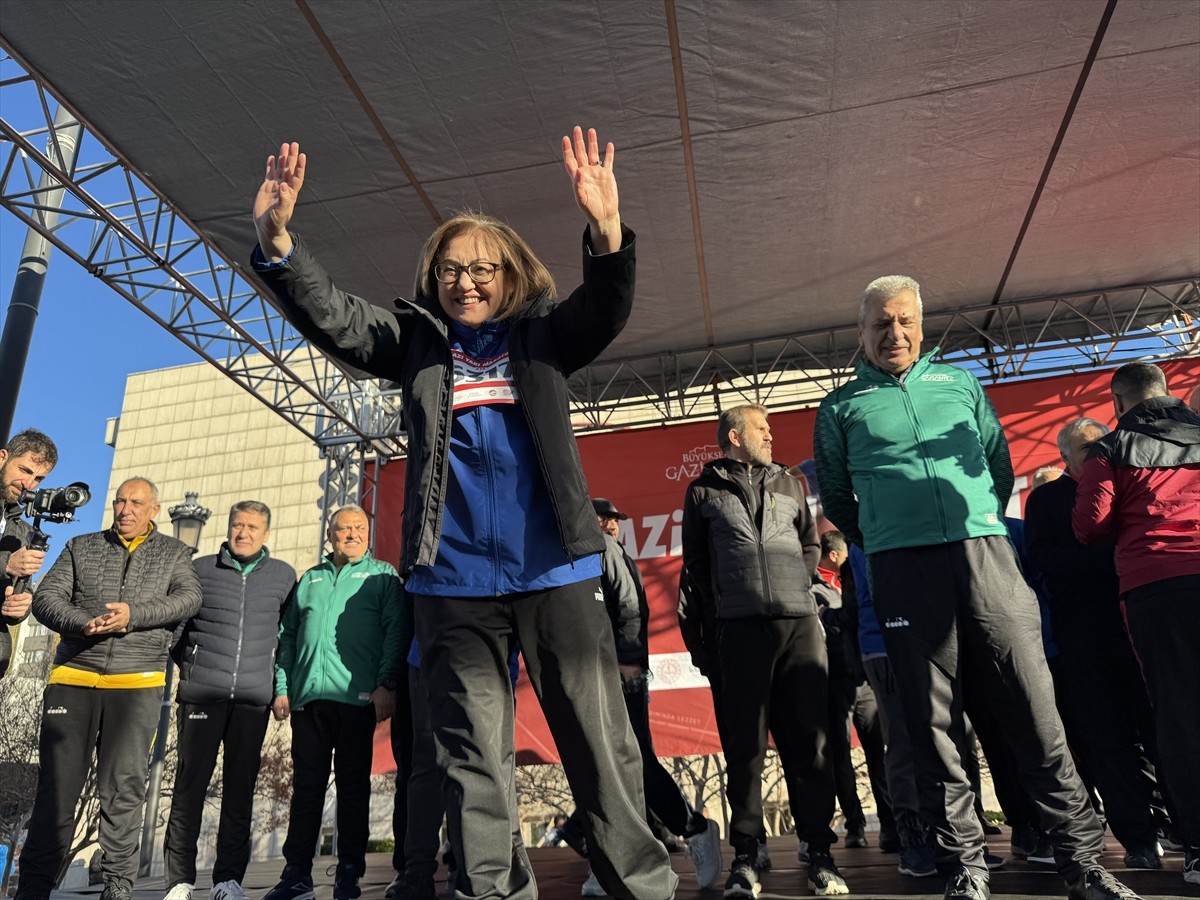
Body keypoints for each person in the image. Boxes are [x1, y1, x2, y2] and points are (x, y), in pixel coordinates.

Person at [249, 129, 675, 900]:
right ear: (431, 280)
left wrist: (607, 232)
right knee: (471, 758)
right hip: (452, 585)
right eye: (450, 270)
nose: (466, 281)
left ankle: (640, 888)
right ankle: (489, 891)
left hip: (556, 571)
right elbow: (340, 319)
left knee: (600, 747)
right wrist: (279, 241)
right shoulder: (414, 344)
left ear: (510, 275)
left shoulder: (543, 337)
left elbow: (605, 307)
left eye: (481, 268)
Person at [813, 275, 1142, 900]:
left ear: (920, 324)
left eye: (905, 320)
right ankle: (966, 866)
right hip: (904, 571)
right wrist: (888, 535)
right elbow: (836, 496)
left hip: (985, 556)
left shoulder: (960, 383)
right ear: (861, 332)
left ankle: (1084, 864)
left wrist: (974, 522)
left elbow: (996, 465)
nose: (895, 333)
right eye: (881, 323)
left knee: (1037, 712)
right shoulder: (841, 406)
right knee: (934, 729)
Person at [681, 404, 847, 898]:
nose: (770, 435)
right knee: (745, 752)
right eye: (761, 428)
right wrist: (704, 646)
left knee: (811, 746)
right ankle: (748, 855)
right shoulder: (703, 491)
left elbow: (810, 547)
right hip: (739, 632)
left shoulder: (790, 484)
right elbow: (695, 571)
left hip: (798, 628)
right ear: (734, 436)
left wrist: (798, 590)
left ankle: (819, 852)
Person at [15, 477, 202, 900]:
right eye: (119, 501)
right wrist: (83, 623)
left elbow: (189, 599)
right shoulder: (81, 546)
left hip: (138, 683)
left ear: (154, 509)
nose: (125, 509)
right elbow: (47, 599)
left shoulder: (174, 553)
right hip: (72, 679)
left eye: (136, 502)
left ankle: (117, 887)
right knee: (56, 791)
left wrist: (133, 616)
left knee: (122, 790)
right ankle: (33, 888)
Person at [1072, 362, 1200, 888]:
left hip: (1156, 589)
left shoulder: (1110, 449)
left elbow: (1089, 526)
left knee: (1179, 716)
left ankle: (1196, 848)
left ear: (1118, 404)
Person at [1026, 418, 1166, 869]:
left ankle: (1183, 827)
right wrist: (1103, 557)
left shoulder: (1126, 482)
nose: (1098, 453)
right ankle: (1138, 838)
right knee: (1106, 741)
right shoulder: (1046, 499)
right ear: (1065, 457)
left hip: (1136, 624)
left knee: (1161, 730)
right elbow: (1043, 556)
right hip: (1082, 634)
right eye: (1088, 449)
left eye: (1103, 445)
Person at [570, 497, 721, 894]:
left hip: (619, 674)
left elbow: (631, 606)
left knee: (628, 764)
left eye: (614, 520)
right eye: (608, 519)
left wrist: (630, 661)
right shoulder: (582, 553)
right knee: (610, 765)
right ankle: (613, 858)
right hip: (595, 674)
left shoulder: (603, 550)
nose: (614, 525)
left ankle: (693, 828)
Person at [265, 505, 403, 900]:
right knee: (305, 789)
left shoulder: (382, 577)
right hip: (308, 703)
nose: (353, 534)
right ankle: (296, 875)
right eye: (344, 529)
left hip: (357, 700)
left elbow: (395, 631)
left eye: (360, 528)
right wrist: (282, 686)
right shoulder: (309, 579)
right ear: (331, 535)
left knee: (354, 788)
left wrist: (386, 683)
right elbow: (287, 636)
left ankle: (348, 873)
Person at [161, 501, 298, 900]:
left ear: (266, 534)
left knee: (240, 792)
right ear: (228, 527)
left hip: (253, 700)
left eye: (253, 527)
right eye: (238, 525)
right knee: (189, 788)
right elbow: (177, 632)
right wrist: (192, 666)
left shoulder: (284, 577)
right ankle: (179, 883)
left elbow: (286, 638)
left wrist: (280, 688)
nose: (243, 533)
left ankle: (228, 881)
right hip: (202, 695)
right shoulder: (200, 569)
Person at [811, 531, 892, 853]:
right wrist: (838, 613)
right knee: (840, 757)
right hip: (835, 681)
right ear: (836, 555)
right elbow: (831, 623)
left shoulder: (860, 574)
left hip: (865, 678)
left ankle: (890, 824)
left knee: (879, 753)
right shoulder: (813, 587)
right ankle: (854, 824)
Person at [0, 428, 58, 678]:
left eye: (38, 479)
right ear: (2, 458)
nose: (28, 484)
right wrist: (6, 564)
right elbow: (8, 566)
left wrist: (21, 606)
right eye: (24, 470)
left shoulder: (23, 531)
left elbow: (21, 597)